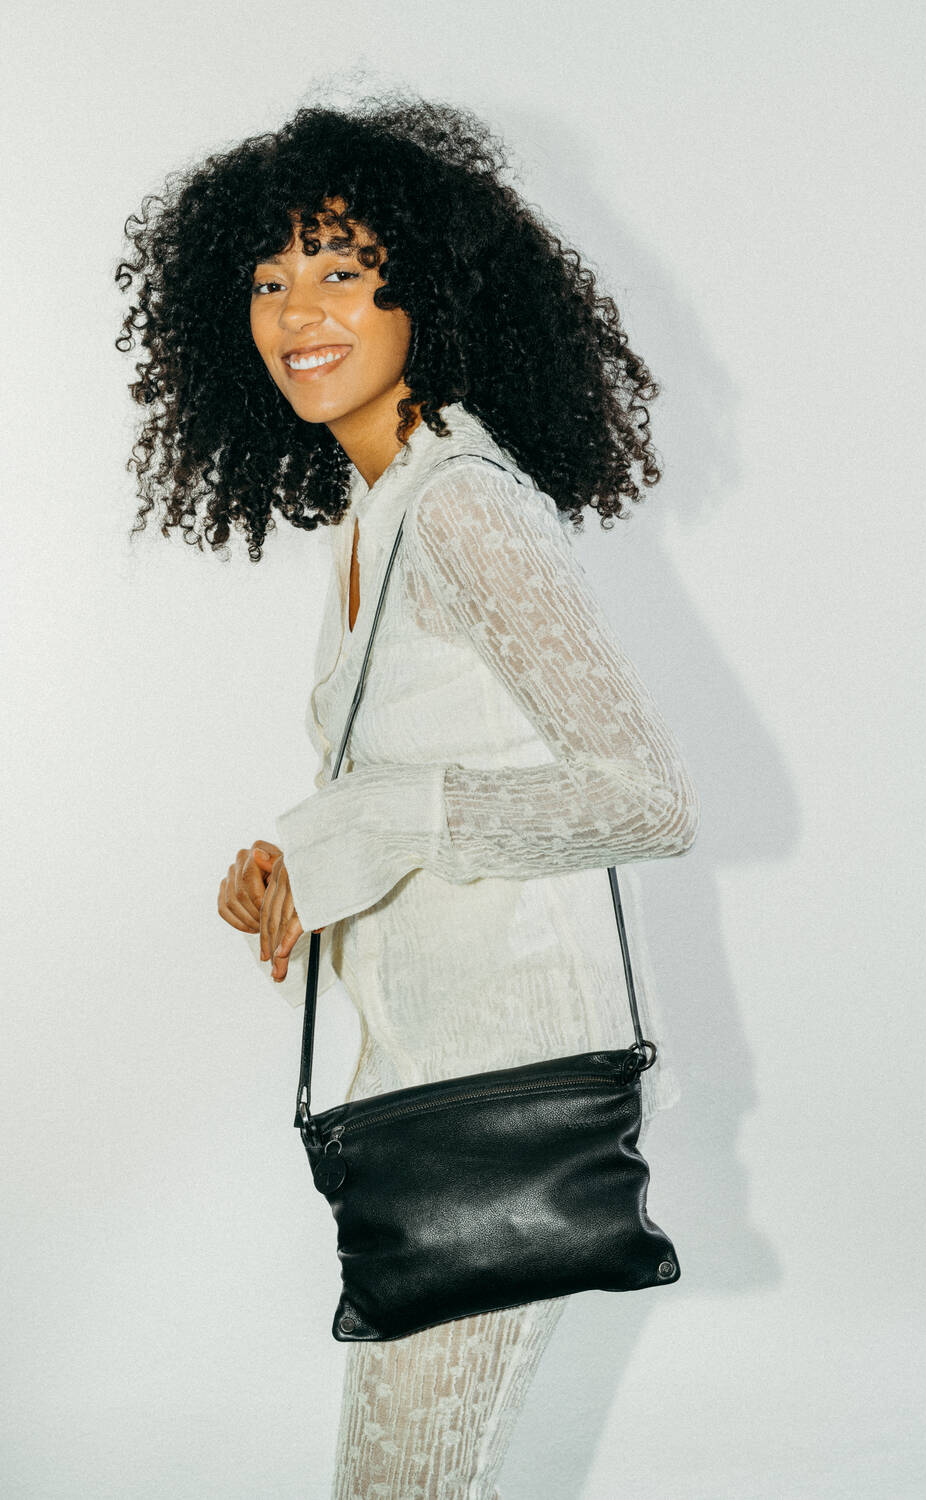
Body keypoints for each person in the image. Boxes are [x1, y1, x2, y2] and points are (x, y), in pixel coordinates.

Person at [116, 90, 699, 1500]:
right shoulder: (376, 514)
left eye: (339, 266)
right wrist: (295, 862)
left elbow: (645, 797)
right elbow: (421, 781)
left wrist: (374, 823)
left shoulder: (467, 510)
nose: (296, 309)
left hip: (499, 1098)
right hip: (420, 1072)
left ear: (422, 291)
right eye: (267, 279)